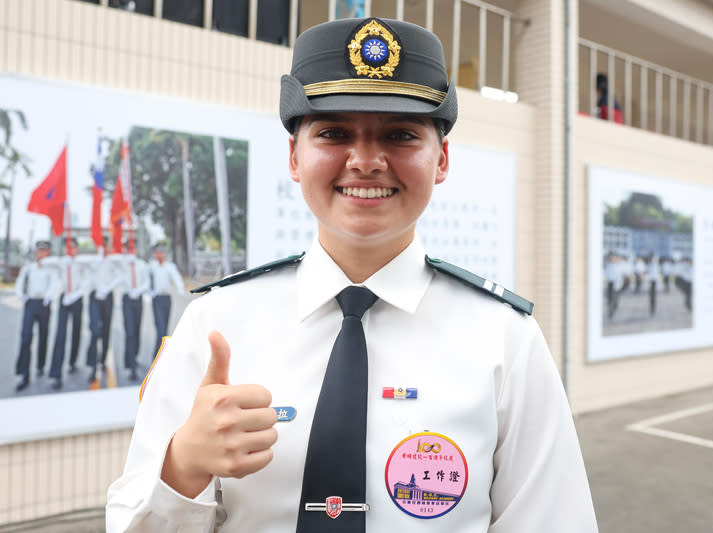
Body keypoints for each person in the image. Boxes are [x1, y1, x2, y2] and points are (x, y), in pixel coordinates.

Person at [107, 17, 598, 532]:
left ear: (443, 159)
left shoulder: (504, 339)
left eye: (401, 135)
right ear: (294, 157)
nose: (366, 161)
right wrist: (182, 465)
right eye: (334, 133)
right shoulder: (216, 325)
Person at [13, 240, 59, 391]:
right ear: (36, 252)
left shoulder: (52, 268)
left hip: (44, 304)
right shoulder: (29, 267)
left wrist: (48, 296)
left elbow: (55, 283)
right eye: (39, 250)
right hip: (31, 303)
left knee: (43, 336)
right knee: (26, 337)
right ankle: (24, 374)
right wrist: (21, 296)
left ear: (48, 252)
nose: (41, 253)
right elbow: (20, 282)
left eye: (44, 250)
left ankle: (41, 365)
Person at [48, 238, 89, 389]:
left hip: (76, 299)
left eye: (73, 247)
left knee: (76, 332)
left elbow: (87, 280)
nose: (70, 250)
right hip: (64, 298)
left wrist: (76, 294)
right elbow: (48, 264)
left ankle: (72, 361)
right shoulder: (61, 262)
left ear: (77, 249)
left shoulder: (82, 262)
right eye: (68, 247)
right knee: (60, 335)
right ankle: (56, 374)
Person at [85, 236, 121, 384]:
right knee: (94, 330)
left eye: (106, 245)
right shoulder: (91, 261)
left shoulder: (113, 261)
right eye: (101, 245)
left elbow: (120, 276)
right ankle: (93, 365)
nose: (103, 248)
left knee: (106, 329)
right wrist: (98, 287)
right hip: (95, 297)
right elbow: (88, 277)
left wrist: (108, 288)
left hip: (107, 297)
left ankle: (103, 359)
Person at [119, 244, 151, 381]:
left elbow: (147, 282)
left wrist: (139, 290)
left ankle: (134, 356)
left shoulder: (142, 265)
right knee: (130, 331)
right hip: (127, 298)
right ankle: (131, 366)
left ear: (136, 250)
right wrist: (129, 288)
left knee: (137, 330)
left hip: (138, 299)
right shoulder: (122, 265)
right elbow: (120, 278)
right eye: (128, 249)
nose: (130, 251)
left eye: (132, 248)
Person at [147, 242, 185, 356]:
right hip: (157, 298)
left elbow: (176, 277)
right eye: (158, 252)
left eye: (162, 252)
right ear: (154, 254)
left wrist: (180, 289)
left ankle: (162, 355)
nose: (160, 254)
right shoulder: (151, 267)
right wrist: (148, 294)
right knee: (161, 329)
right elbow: (146, 281)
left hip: (166, 299)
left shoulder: (169, 266)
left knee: (165, 329)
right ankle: (157, 356)